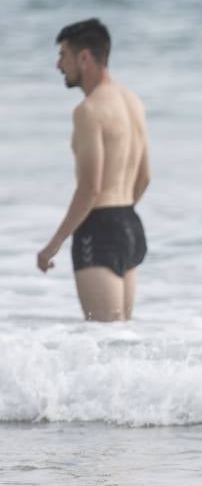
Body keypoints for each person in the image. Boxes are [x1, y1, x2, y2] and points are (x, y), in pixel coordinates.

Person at [38, 18, 151, 322]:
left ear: (84, 57)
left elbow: (90, 189)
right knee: (123, 341)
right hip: (130, 223)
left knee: (105, 340)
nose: (59, 65)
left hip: (99, 229)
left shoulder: (89, 111)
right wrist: (119, 220)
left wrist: (53, 245)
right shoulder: (132, 101)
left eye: (63, 55)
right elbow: (145, 176)